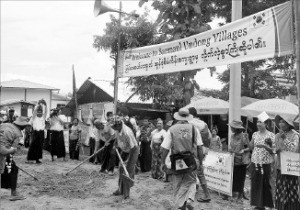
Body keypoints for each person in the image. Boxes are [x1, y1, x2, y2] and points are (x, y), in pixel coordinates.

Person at [161, 108, 204, 210]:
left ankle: (180, 205)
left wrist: (163, 162)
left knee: (178, 184)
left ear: (177, 117)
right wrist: (201, 163)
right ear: (188, 117)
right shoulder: (194, 129)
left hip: (177, 161)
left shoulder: (172, 129)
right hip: (190, 160)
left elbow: (165, 149)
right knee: (192, 181)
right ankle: (189, 199)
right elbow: (200, 147)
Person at [0, 116, 31, 201]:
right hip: (2, 152)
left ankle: (7, 187)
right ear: (23, 126)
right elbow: (4, 150)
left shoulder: (5, 125)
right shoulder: (17, 133)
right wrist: (13, 150)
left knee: (11, 167)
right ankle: (13, 194)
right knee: (13, 169)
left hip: (3, 150)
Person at [249, 112, 275, 210]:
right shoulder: (255, 134)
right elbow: (251, 147)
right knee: (255, 183)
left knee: (265, 184)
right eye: (257, 122)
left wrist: (264, 146)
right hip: (255, 162)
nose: (258, 124)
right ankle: (258, 205)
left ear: (266, 124)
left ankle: (267, 204)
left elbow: (273, 150)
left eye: (260, 122)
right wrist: (247, 139)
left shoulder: (271, 135)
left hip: (266, 163)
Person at [274, 114, 300, 210]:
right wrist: (276, 150)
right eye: (280, 122)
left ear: (288, 124)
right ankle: (281, 207)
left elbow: (294, 149)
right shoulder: (277, 135)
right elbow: (276, 148)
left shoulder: (295, 135)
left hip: (291, 166)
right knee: (281, 188)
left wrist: (285, 138)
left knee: (291, 188)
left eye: (283, 122)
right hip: (280, 165)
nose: (281, 124)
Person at [111, 116, 139, 199]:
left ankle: (126, 194)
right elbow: (117, 137)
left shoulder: (127, 132)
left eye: (113, 126)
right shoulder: (117, 129)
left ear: (119, 125)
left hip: (133, 151)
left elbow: (133, 148)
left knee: (127, 171)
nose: (112, 128)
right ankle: (120, 189)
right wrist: (115, 144)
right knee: (121, 169)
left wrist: (128, 160)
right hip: (125, 149)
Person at [188, 107, 211, 203]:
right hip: (204, 149)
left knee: (194, 172)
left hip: (194, 150)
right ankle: (196, 188)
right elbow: (209, 137)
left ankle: (206, 194)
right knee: (199, 171)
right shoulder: (204, 124)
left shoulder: (189, 123)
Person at [227, 120, 251, 203]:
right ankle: (234, 195)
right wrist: (230, 150)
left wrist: (243, 151)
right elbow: (231, 146)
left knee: (240, 179)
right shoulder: (232, 136)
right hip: (233, 160)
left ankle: (240, 196)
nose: (230, 128)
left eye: (232, 127)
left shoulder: (244, 136)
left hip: (241, 161)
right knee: (234, 178)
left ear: (236, 128)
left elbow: (249, 148)